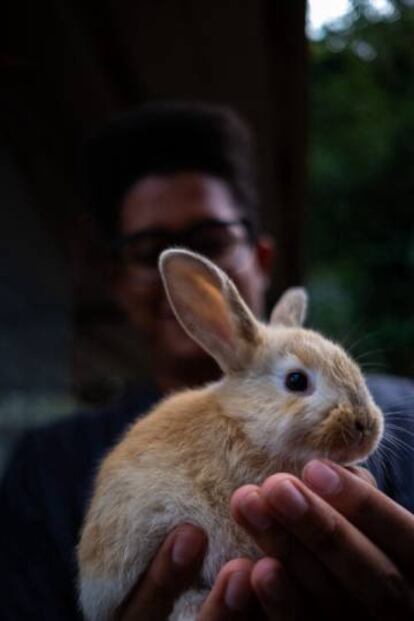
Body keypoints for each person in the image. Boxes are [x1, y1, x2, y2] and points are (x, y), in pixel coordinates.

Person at [0, 101, 413, 621]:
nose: (363, 418)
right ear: (117, 282)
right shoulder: (45, 468)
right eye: (145, 249)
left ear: (262, 260)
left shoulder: (408, 417)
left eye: (212, 240)